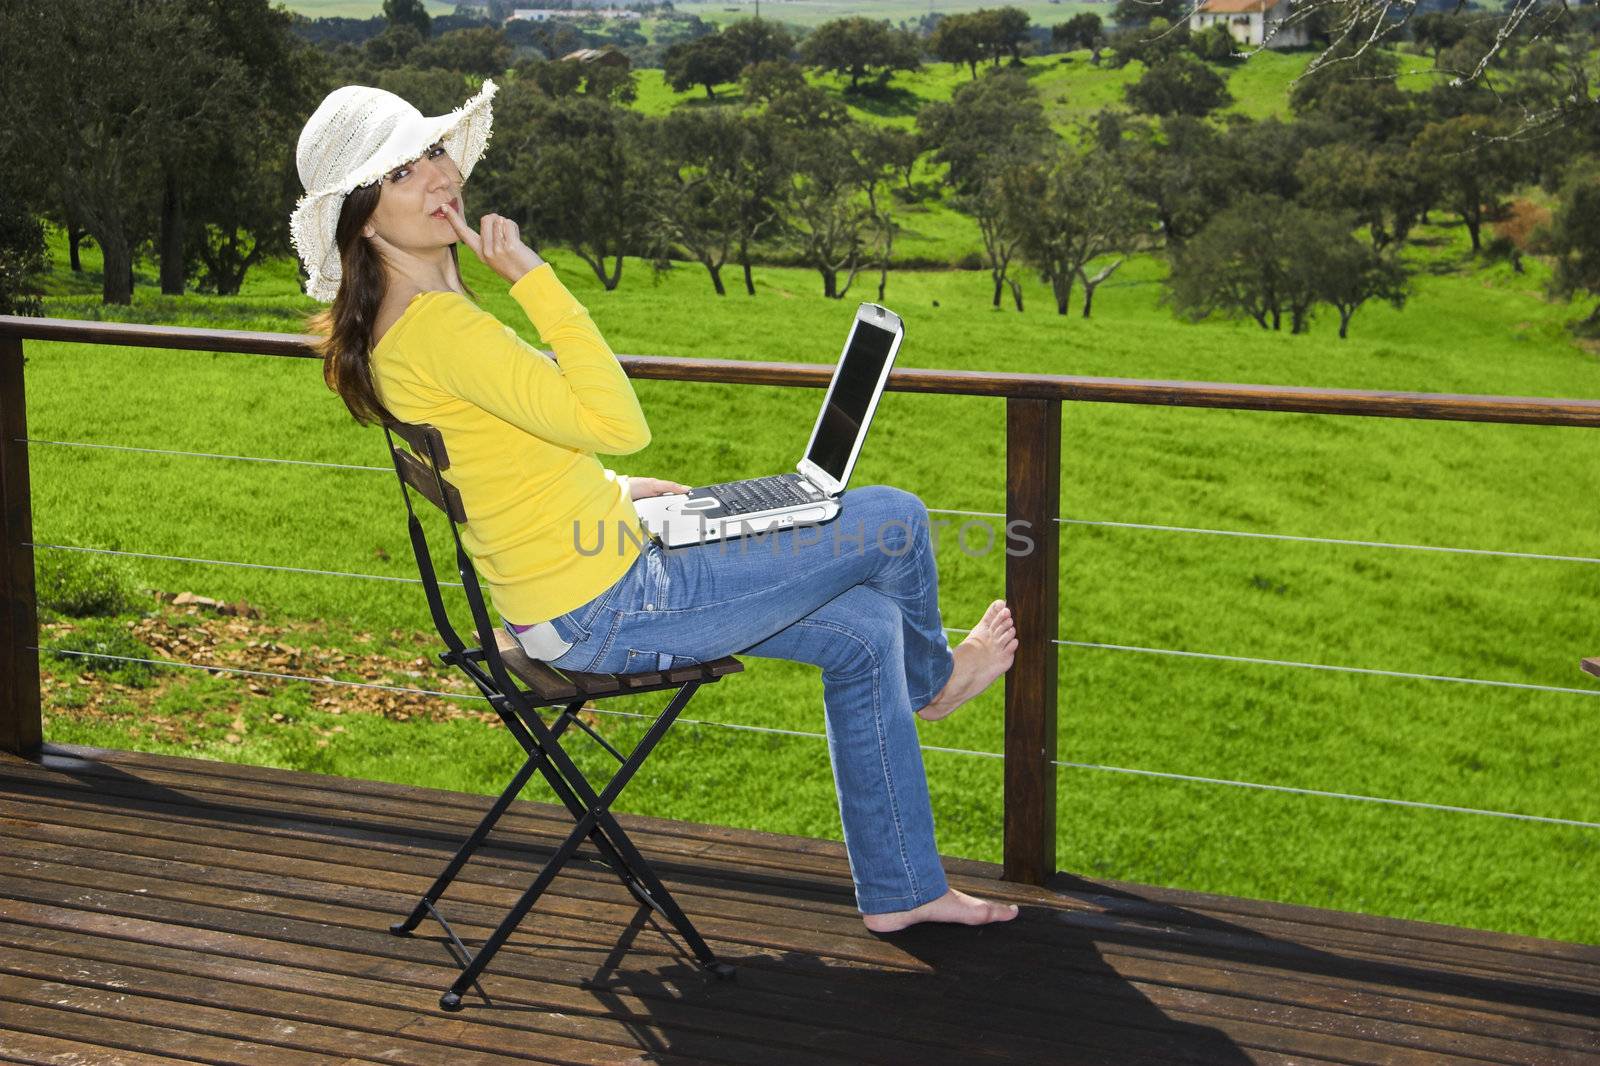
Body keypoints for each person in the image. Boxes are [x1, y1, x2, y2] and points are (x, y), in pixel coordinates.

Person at [293, 81, 1020, 933]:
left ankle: (905, 893)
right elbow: (617, 421)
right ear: (364, 220)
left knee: (866, 633)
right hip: (612, 603)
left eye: (433, 153)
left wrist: (613, 494)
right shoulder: (443, 329)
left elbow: (505, 467)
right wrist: (532, 276)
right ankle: (941, 682)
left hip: (572, 588)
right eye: (402, 172)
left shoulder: (409, 324)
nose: (437, 176)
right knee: (894, 516)